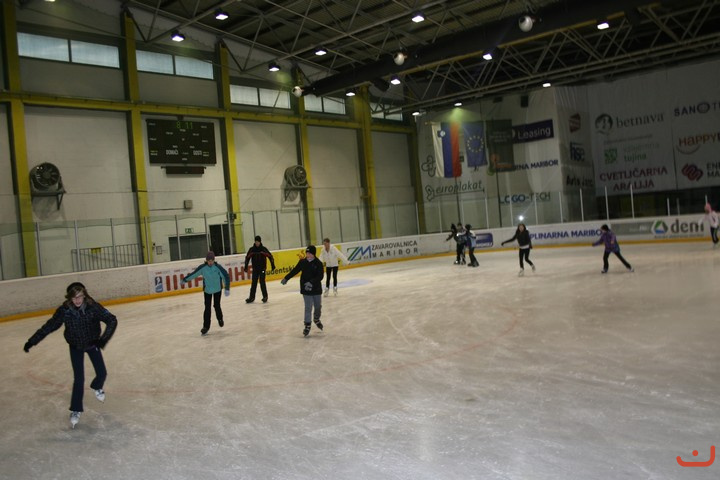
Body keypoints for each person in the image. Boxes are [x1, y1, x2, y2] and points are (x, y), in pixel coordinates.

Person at [23, 282, 117, 429]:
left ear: (84, 295)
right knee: (79, 379)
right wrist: (32, 341)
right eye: (74, 297)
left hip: (92, 344)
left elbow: (112, 319)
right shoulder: (64, 311)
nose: (77, 300)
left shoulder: (93, 307)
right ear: (69, 298)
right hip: (75, 346)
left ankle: (97, 386)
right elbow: (49, 326)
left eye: (80, 296)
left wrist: (103, 340)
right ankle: (75, 409)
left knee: (102, 373)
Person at [182, 251, 230, 335]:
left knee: (217, 305)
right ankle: (206, 327)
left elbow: (225, 276)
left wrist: (227, 288)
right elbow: (194, 274)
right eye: (209, 261)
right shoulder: (203, 268)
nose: (210, 262)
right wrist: (185, 280)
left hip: (217, 289)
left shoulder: (218, 267)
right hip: (207, 291)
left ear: (214, 260)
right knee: (207, 308)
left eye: (212, 261)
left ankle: (220, 319)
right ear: (206, 260)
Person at [281, 245, 324, 337]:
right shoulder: (302, 262)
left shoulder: (318, 263)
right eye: (307, 253)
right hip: (305, 288)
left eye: (309, 253)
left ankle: (316, 319)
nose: (308, 255)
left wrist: (311, 282)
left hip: (316, 288)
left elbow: (320, 276)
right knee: (308, 307)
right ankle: (307, 325)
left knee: (318, 306)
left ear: (313, 254)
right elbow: (295, 270)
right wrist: (286, 278)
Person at [244, 236, 276, 303]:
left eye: (258, 242)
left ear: (260, 242)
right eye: (256, 242)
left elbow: (270, 256)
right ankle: (251, 297)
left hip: (262, 269)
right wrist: (246, 266)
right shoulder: (252, 250)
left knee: (262, 282)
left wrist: (273, 265)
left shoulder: (263, 249)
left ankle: (265, 296)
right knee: (254, 283)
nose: (257, 243)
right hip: (255, 269)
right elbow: (247, 258)